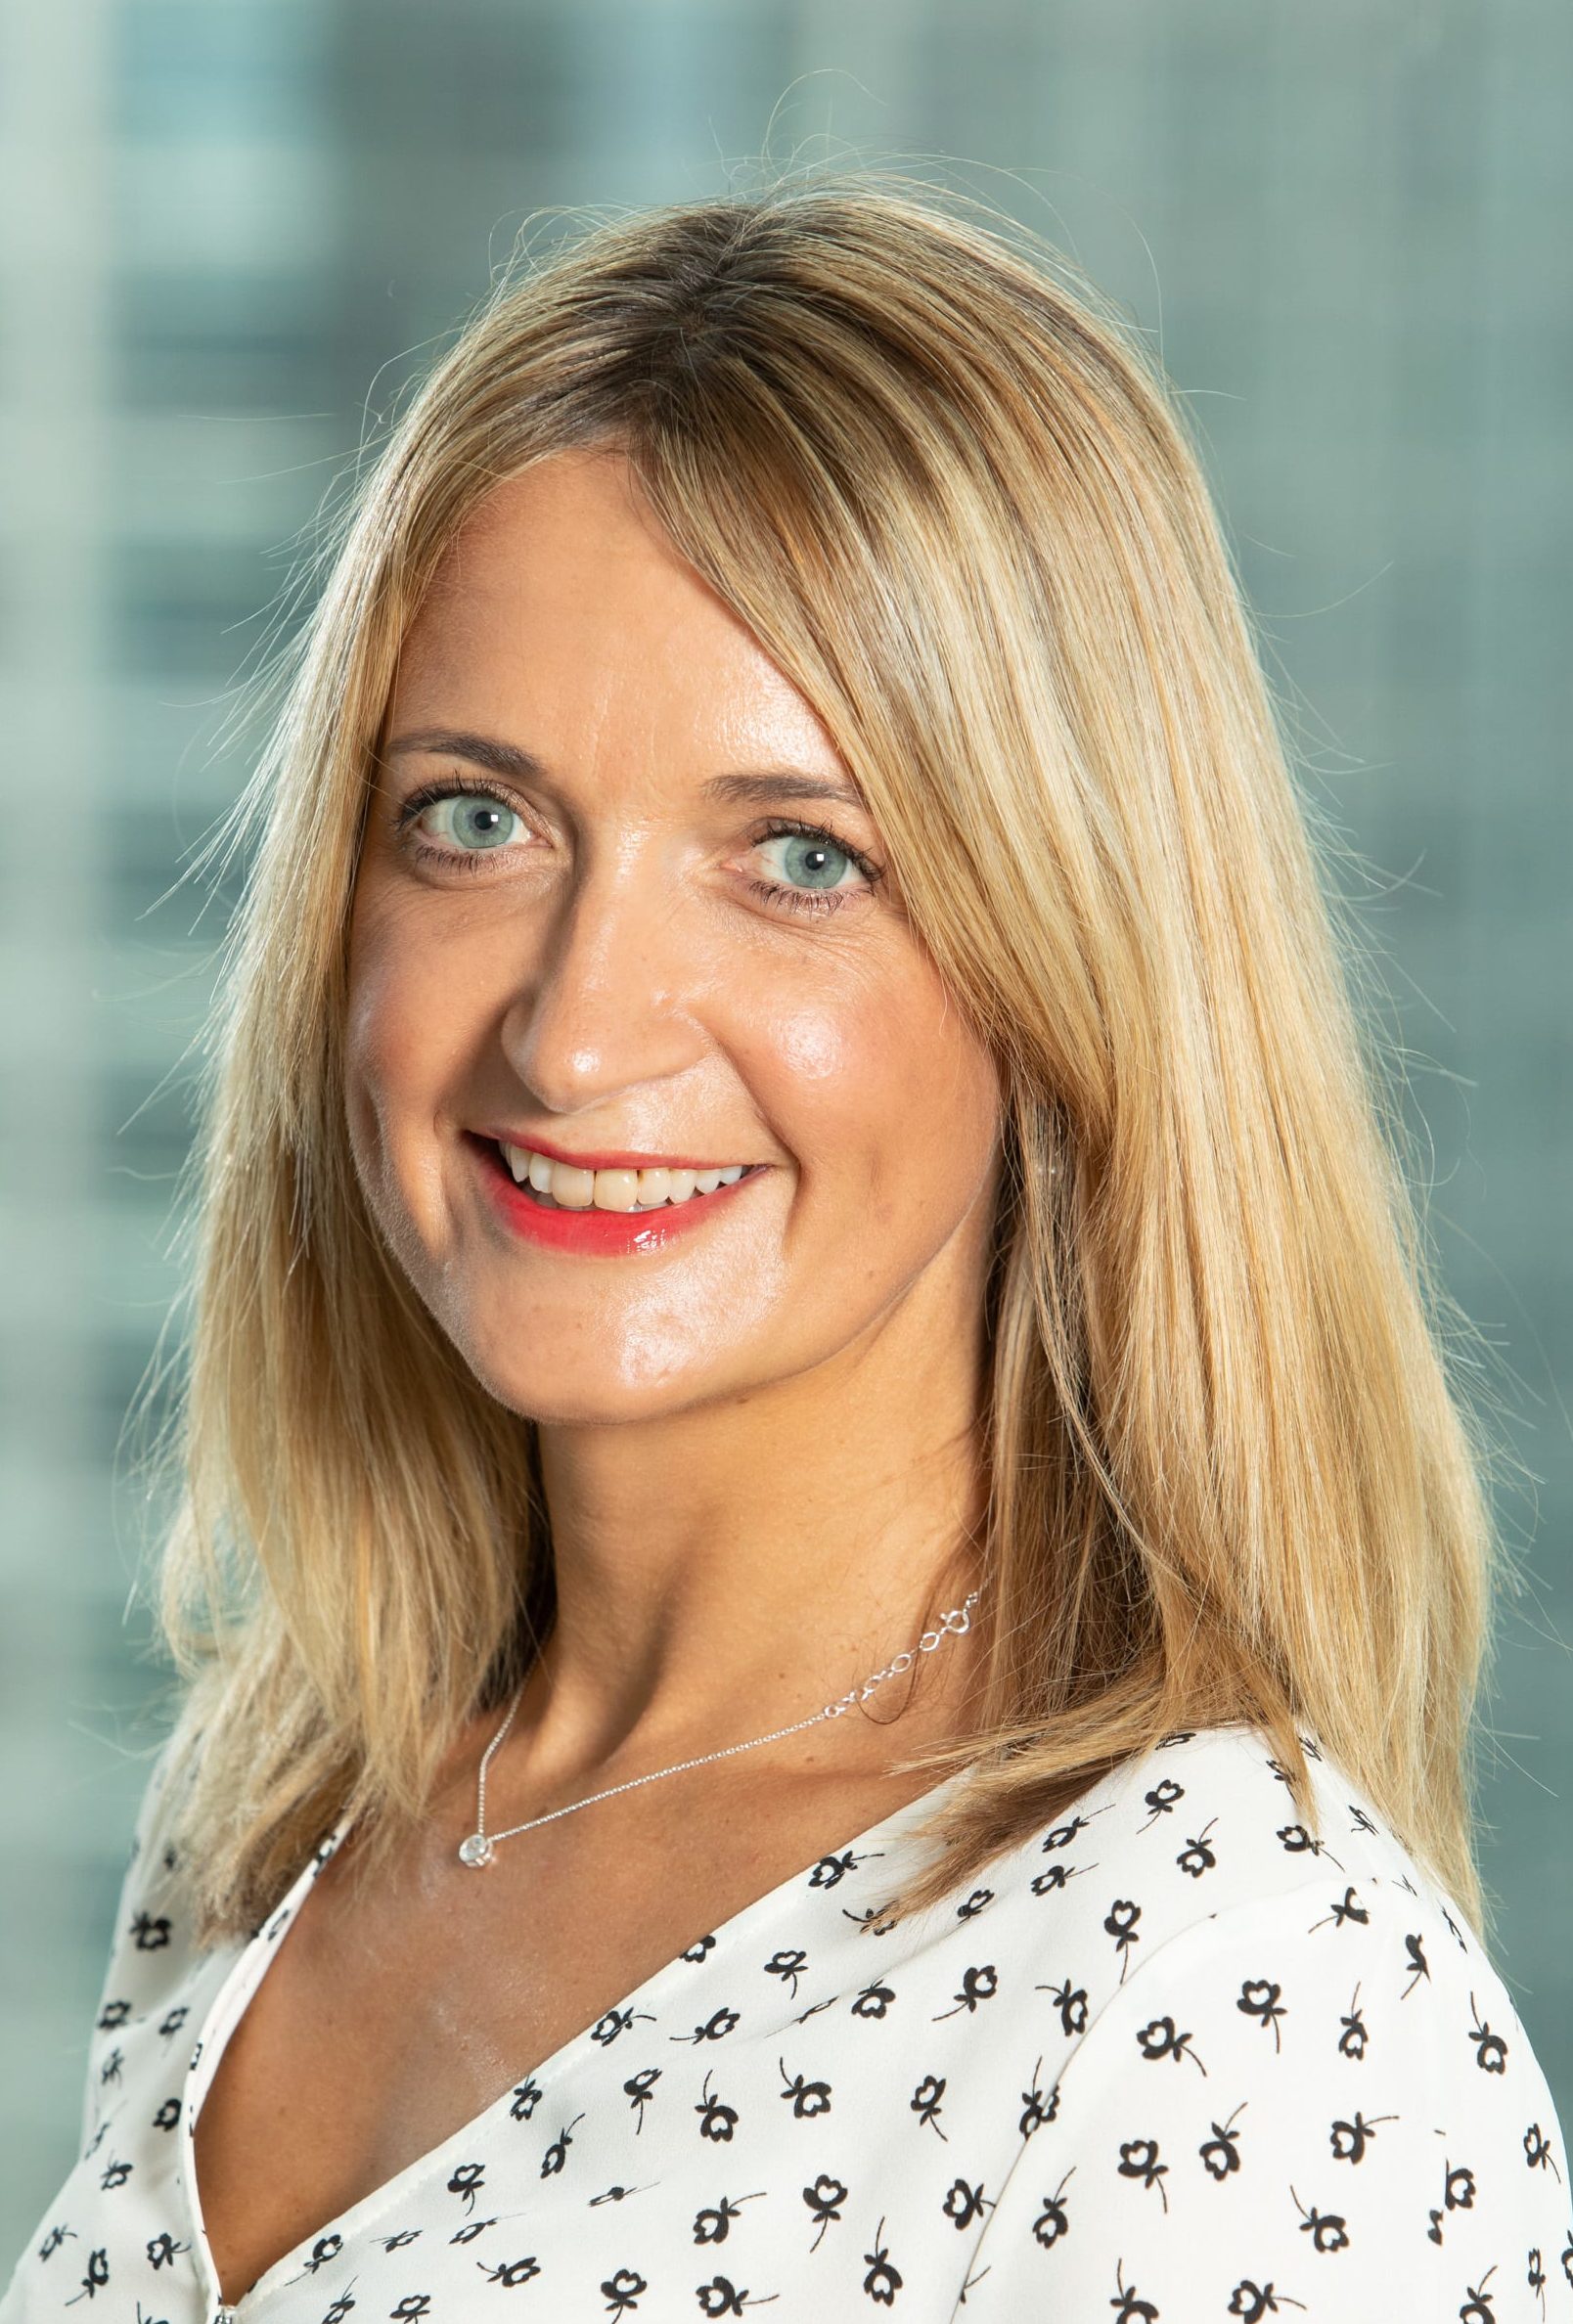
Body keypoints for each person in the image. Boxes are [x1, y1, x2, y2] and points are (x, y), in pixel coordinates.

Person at [4, 172, 1567, 2324]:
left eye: (800, 858)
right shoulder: (283, 1801)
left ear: (1063, 970)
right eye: (474, 817)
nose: (571, 1026)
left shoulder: (1227, 2002)